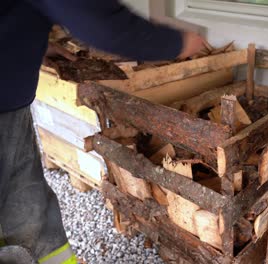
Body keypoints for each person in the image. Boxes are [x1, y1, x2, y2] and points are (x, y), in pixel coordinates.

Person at [0, 0, 205, 263]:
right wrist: (179, 43)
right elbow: (105, 27)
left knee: (27, 206)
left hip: (8, 107)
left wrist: (30, 42)